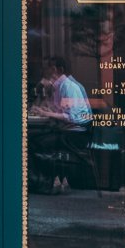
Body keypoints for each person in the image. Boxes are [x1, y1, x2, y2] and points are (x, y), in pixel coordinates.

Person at [33, 56, 91, 194]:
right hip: (69, 131)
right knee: (36, 139)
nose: (43, 71)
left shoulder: (69, 87)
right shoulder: (61, 86)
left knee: (36, 142)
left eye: (46, 67)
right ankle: (45, 182)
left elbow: (73, 117)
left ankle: (44, 184)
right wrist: (48, 110)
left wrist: (48, 114)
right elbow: (64, 110)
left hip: (75, 134)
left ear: (54, 69)